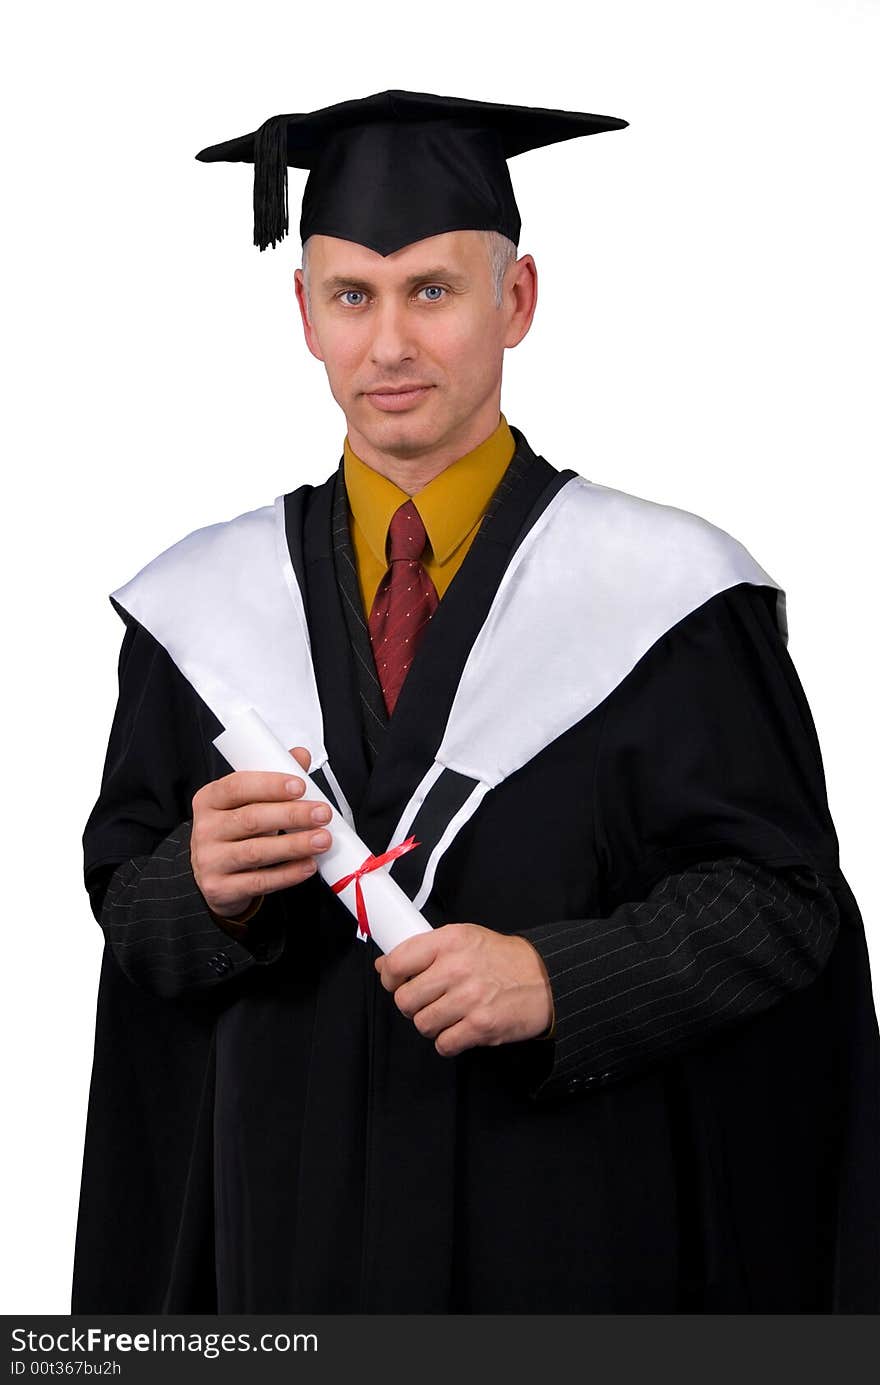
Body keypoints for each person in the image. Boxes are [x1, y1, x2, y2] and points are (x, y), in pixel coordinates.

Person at [73, 89, 880, 1314]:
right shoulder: (201, 611)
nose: (389, 343)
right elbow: (128, 904)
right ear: (304, 315)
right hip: (282, 1258)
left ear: (517, 301)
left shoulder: (669, 596)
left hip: (575, 1244)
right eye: (353, 295)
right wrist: (203, 891)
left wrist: (564, 980)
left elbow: (782, 906)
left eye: (433, 291)